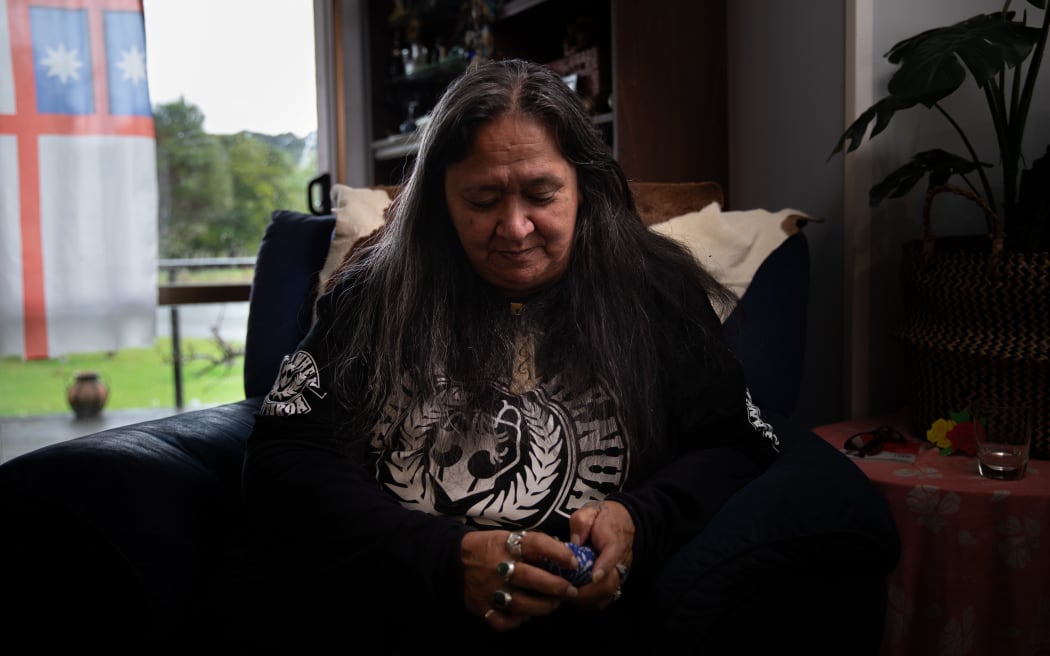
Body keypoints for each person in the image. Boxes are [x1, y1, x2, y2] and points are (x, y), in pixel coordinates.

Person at [240, 58, 781, 653]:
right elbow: (282, 457)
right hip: (402, 616)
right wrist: (444, 558)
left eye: (542, 194)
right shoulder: (372, 295)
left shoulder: (658, 293)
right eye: (483, 198)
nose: (516, 227)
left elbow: (738, 446)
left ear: (583, 187)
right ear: (442, 199)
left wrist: (640, 521)